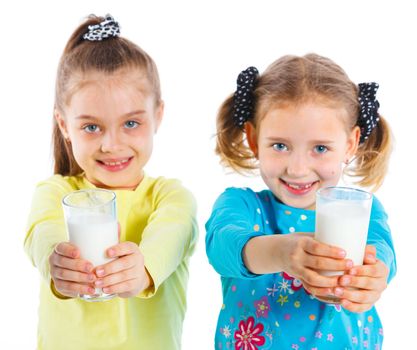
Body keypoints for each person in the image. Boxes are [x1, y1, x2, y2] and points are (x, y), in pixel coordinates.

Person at [24, 14, 198, 350]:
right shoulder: (55, 193)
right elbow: (42, 232)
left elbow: (170, 236)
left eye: (131, 123)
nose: (112, 145)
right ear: (64, 125)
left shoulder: (172, 198)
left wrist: (144, 268)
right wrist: (56, 261)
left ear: (158, 116)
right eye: (91, 127)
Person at [206, 54, 396, 349]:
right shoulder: (240, 205)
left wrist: (375, 275)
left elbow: (382, 252)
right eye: (280, 146)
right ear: (254, 140)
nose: (297, 169)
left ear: (349, 144)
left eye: (320, 148)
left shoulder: (361, 210)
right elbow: (223, 248)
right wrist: (283, 252)